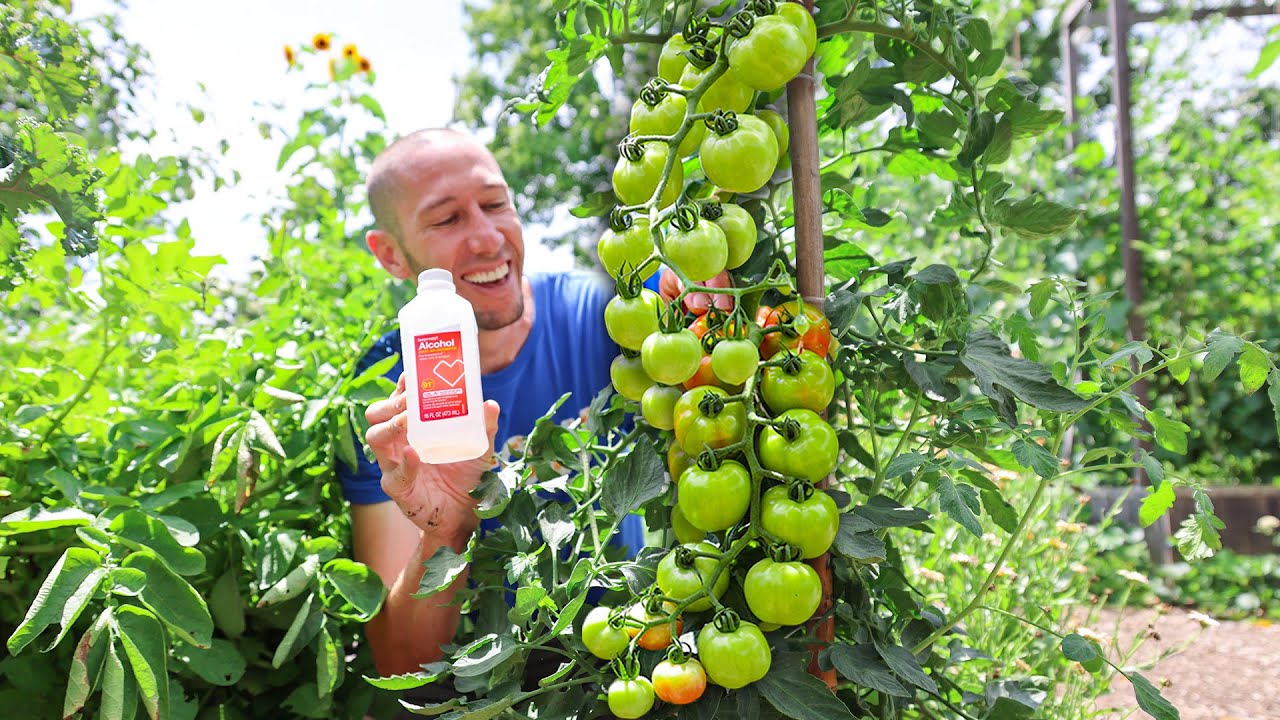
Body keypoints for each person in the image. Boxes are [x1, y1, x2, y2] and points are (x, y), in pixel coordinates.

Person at [342, 128, 645, 678]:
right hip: (496, 696)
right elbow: (398, 659)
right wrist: (446, 529)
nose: (487, 239)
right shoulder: (385, 400)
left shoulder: (599, 313)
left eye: (495, 204)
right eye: (447, 219)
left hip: (632, 669)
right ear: (390, 254)